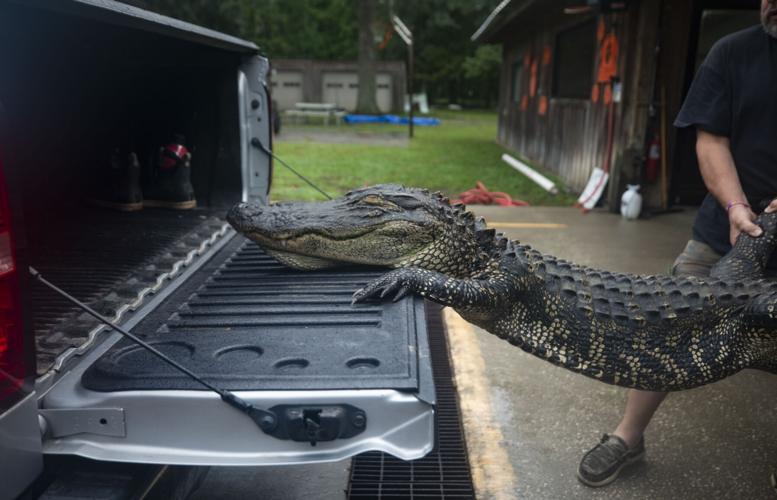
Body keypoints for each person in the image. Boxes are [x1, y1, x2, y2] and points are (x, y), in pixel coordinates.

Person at [576, 0, 777, 487]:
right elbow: (711, 139)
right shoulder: (733, 52)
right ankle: (628, 436)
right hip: (726, 228)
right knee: (667, 324)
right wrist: (735, 206)